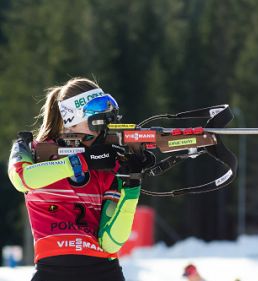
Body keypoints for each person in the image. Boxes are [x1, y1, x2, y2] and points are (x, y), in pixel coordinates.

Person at [8, 77, 152, 281]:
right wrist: (80, 161)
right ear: (71, 119)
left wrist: (131, 185)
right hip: (52, 273)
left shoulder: (109, 165)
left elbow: (111, 243)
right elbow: (21, 178)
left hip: (104, 272)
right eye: (97, 120)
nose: (103, 129)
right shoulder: (33, 152)